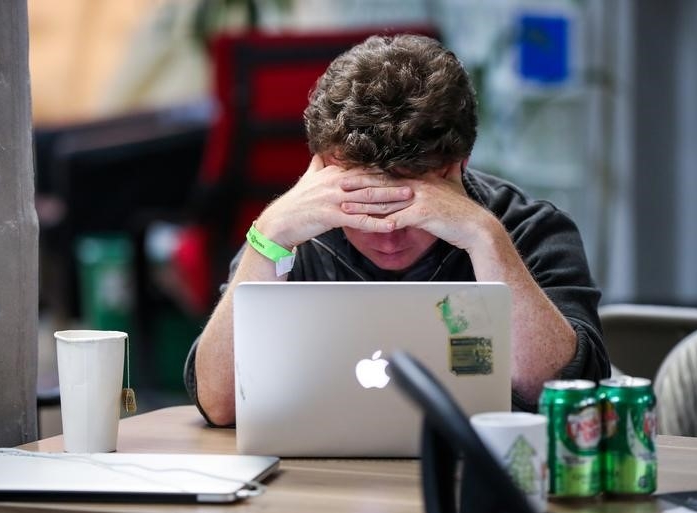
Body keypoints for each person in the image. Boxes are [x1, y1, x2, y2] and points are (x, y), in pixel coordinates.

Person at [184, 33, 609, 427]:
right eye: (363, 210)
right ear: (326, 167)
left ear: (455, 166)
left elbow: (567, 394)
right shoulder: (290, 233)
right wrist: (267, 238)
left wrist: (484, 237)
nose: (387, 237)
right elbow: (219, 404)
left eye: (408, 211)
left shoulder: (529, 228)